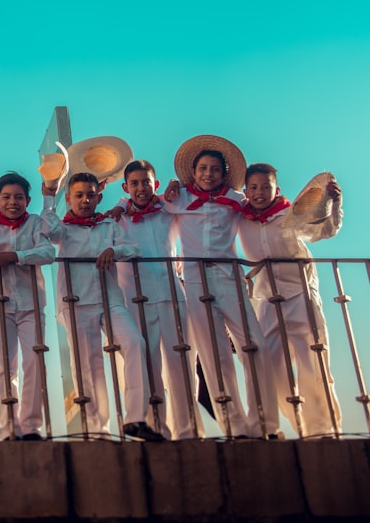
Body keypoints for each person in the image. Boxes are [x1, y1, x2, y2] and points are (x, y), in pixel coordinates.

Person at [162, 136, 279, 439]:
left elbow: (269, 206)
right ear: (194, 170)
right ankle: (234, 426)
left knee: (256, 347)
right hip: (196, 281)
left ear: (224, 173)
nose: (208, 174)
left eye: (215, 169)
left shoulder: (238, 199)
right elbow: (143, 203)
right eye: (203, 168)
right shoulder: (179, 198)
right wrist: (169, 185)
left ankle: (264, 424)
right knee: (215, 356)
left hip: (229, 278)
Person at [41, 172, 164, 441]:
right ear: (69, 198)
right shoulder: (63, 228)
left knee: (134, 343)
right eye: (79, 195)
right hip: (77, 302)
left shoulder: (109, 226)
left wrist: (114, 251)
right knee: (89, 364)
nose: (85, 200)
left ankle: (135, 418)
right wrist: (49, 197)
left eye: (90, 195)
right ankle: (98, 429)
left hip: (111, 300)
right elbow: (47, 231)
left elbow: (132, 249)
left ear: (98, 197)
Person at [239, 164, 343, 437]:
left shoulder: (290, 213)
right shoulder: (239, 216)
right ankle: (286, 425)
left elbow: (321, 231)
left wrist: (332, 201)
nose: (260, 193)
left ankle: (323, 430)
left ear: (277, 189)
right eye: (254, 187)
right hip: (267, 298)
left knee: (314, 361)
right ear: (245, 190)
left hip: (300, 293)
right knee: (270, 365)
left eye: (266, 187)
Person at [114, 160, 201, 439]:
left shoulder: (168, 207)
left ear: (156, 184)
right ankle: (155, 428)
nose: (141, 188)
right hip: (135, 296)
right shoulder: (117, 216)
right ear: (126, 187)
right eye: (135, 183)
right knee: (148, 363)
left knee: (183, 361)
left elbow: (193, 196)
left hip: (172, 293)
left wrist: (179, 185)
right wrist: (117, 205)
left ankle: (188, 429)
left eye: (146, 182)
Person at [0, 171, 55, 441]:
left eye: (19, 197)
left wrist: (16, 256)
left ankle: (31, 426)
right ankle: (10, 427)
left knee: (34, 361)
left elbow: (48, 253)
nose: (13, 202)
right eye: (6, 197)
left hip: (31, 303)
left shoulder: (34, 223)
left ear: (28, 200)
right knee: (2, 366)